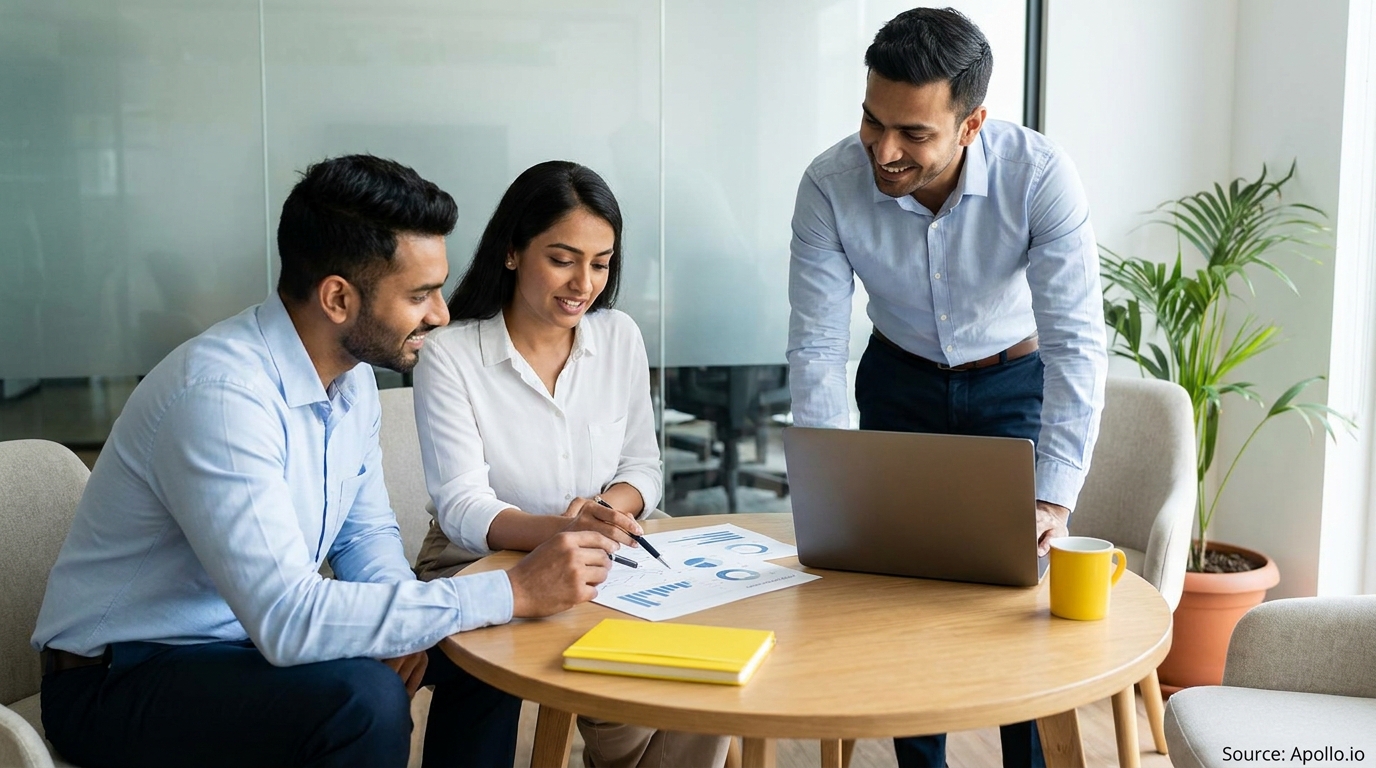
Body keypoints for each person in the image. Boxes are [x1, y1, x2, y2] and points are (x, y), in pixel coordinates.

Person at [31, 154, 619, 768]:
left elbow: (363, 532)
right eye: (420, 294)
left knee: (482, 639)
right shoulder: (221, 396)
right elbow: (287, 618)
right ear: (337, 297)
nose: (441, 314)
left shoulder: (351, 377)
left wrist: (412, 629)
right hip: (121, 675)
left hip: (240, 646)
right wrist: (511, 589)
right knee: (360, 700)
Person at [786, 8, 1108, 768]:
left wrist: (1055, 497)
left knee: (1017, 593)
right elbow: (818, 345)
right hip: (897, 380)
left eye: (915, 133)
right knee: (904, 588)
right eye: (873, 120)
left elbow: (1075, 344)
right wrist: (834, 487)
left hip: (1012, 383)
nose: (884, 149)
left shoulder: (1039, 178)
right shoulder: (829, 186)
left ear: (971, 125)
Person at [411, 160, 730, 768]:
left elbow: (643, 465)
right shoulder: (450, 354)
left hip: (613, 549)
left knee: (704, 666)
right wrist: (568, 529)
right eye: (562, 258)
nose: (584, 282)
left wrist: (606, 512)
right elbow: (462, 507)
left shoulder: (619, 336)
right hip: (478, 557)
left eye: (601, 263)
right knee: (624, 703)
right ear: (512, 252)